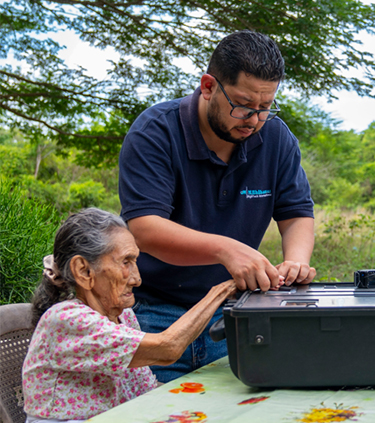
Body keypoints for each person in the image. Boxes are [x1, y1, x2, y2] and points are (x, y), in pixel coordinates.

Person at [118, 30, 316, 381]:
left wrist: (297, 262)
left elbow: (296, 213)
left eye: (265, 108)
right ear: (208, 86)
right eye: (243, 105)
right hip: (156, 314)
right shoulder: (155, 132)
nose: (253, 120)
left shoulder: (276, 138)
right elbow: (144, 229)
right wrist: (227, 250)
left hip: (235, 312)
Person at [23, 208, 236, 422]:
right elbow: (167, 348)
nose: (137, 279)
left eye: (135, 261)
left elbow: (144, 391)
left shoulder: (124, 315)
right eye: (126, 262)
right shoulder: (67, 319)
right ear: (83, 271)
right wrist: (223, 291)